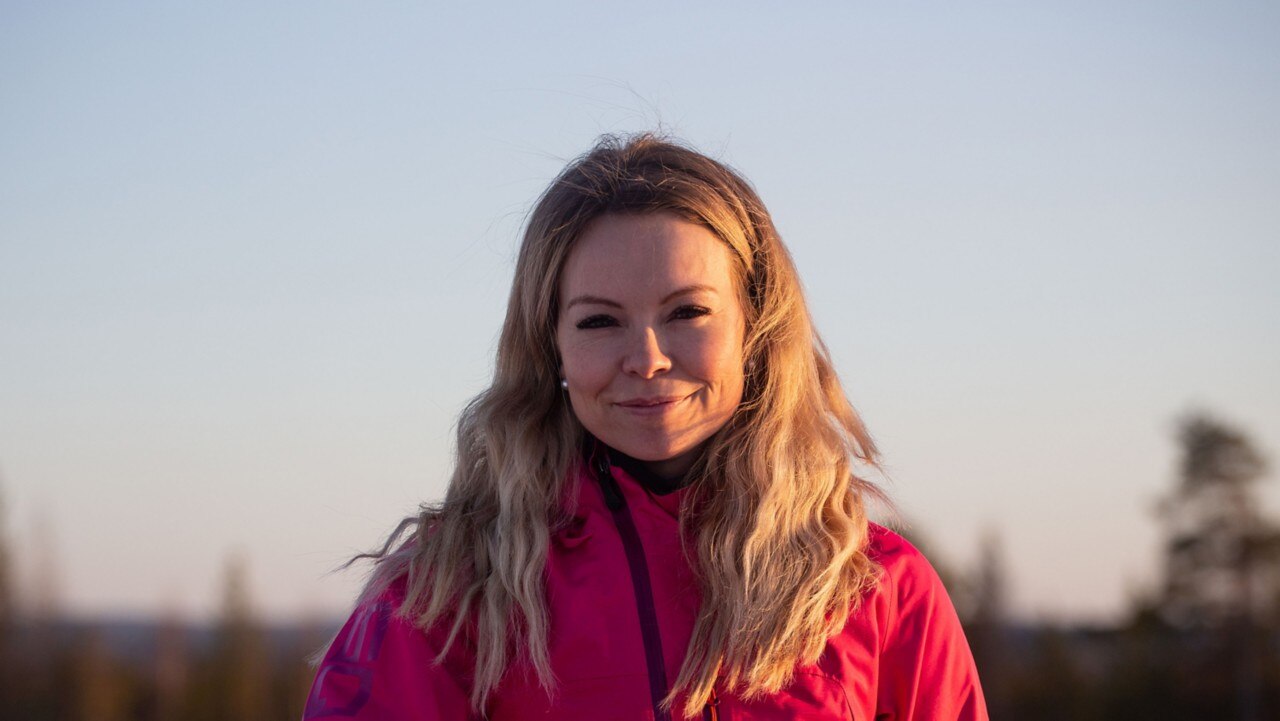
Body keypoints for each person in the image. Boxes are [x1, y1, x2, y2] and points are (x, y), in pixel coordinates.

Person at [303, 135, 987, 720]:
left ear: (755, 328)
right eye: (600, 321)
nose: (648, 358)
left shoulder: (878, 591)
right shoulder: (449, 595)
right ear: (551, 349)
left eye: (688, 312)